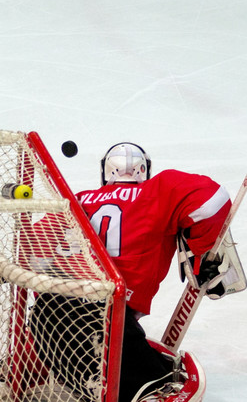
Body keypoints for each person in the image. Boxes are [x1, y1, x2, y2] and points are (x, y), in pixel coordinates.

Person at [30, 142, 232, 401]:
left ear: (106, 172)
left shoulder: (79, 199)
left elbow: (33, 252)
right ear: (144, 170)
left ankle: (25, 365)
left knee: (46, 311)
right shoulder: (158, 190)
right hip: (111, 315)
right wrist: (199, 255)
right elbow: (212, 202)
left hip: (58, 310)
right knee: (145, 383)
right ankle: (145, 385)